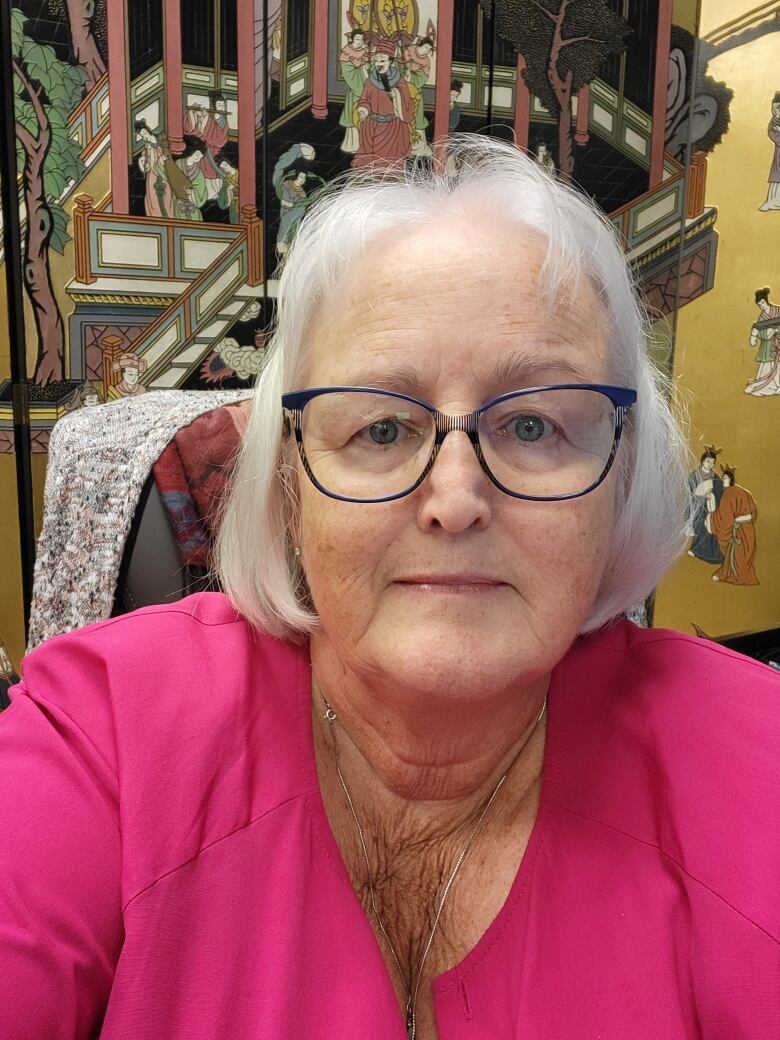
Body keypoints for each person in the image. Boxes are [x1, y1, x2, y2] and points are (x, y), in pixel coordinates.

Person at [2, 135, 779, 1039]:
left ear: (622, 477)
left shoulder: (755, 768)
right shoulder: (104, 733)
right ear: (289, 486)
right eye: (379, 429)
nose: (455, 499)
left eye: (534, 422)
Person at [353, 38, 415, 168]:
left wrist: (396, 95)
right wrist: (363, 109)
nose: (379, 64)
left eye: (382, 61)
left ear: (391, 61)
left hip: (391, 127)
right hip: (371, 126)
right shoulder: (371, 80)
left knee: (388, 164)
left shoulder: (399, 80)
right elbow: (364, 99)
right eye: (376, 61)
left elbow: (408, 105)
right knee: (369, 163)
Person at [709, 466, 759, 585]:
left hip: (739, 529)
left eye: (725, 478)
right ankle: (735, 574)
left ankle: (735, 575)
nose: (723, 481)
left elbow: (726, 518)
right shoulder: (742, 491)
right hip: (747, 528)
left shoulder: (728, 494)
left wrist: (723, 535)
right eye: (723, 478)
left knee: (737, 553)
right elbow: (753, 513)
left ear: (730, 479)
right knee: (740, 554)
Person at [685, 446, 723, 564]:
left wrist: (711, 495)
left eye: (712, 463)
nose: (710, 464)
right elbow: (690, 490)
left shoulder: (715, 477)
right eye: (708, 461)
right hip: (698, 507)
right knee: (699, 527)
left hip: (710, 508)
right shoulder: (695, 475)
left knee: (710, 529)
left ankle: (712, 553)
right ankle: (696, 549)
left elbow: (720, 491)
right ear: (703, 461)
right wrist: (700, 495)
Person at [339, 29, 370, 153]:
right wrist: (360, 89)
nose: (359, 42)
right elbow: (348, 73)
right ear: (352, 39)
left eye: (361, 39)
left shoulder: (364, 51)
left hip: (364, 85)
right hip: (355, 89)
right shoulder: (347, 52)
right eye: (357, 39)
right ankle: (352, 145)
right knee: (354, 115)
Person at [745, 286, 780, 395]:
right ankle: (768, 385)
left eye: (762, 304)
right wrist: (767, 332)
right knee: (767, 367)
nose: (761, 307)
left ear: (766, 301)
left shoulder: (778, 310)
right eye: (759, 305)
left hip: (778, 343)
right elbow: (760, 332)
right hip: (768, 346)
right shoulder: (762, 317)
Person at [135, 120, 173, 218]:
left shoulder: (161, 139)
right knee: (153, 197)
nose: (144, 135)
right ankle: (156, 217)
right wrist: (142, 160)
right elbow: (146, 164)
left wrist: (163, 159)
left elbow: (168, 153)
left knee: (167, 196)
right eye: (141, 134)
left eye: (144, 132)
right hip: (153, 174)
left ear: (147, 130)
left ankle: (169, 216)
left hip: (164, 172)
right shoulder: (146, 147)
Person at [758, 91, 780, 211]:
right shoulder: (774, 124)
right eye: (774, 108)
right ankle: (773, 202)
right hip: (779, 155)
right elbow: (774, 135)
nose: (776, 111)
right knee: (777, 178)